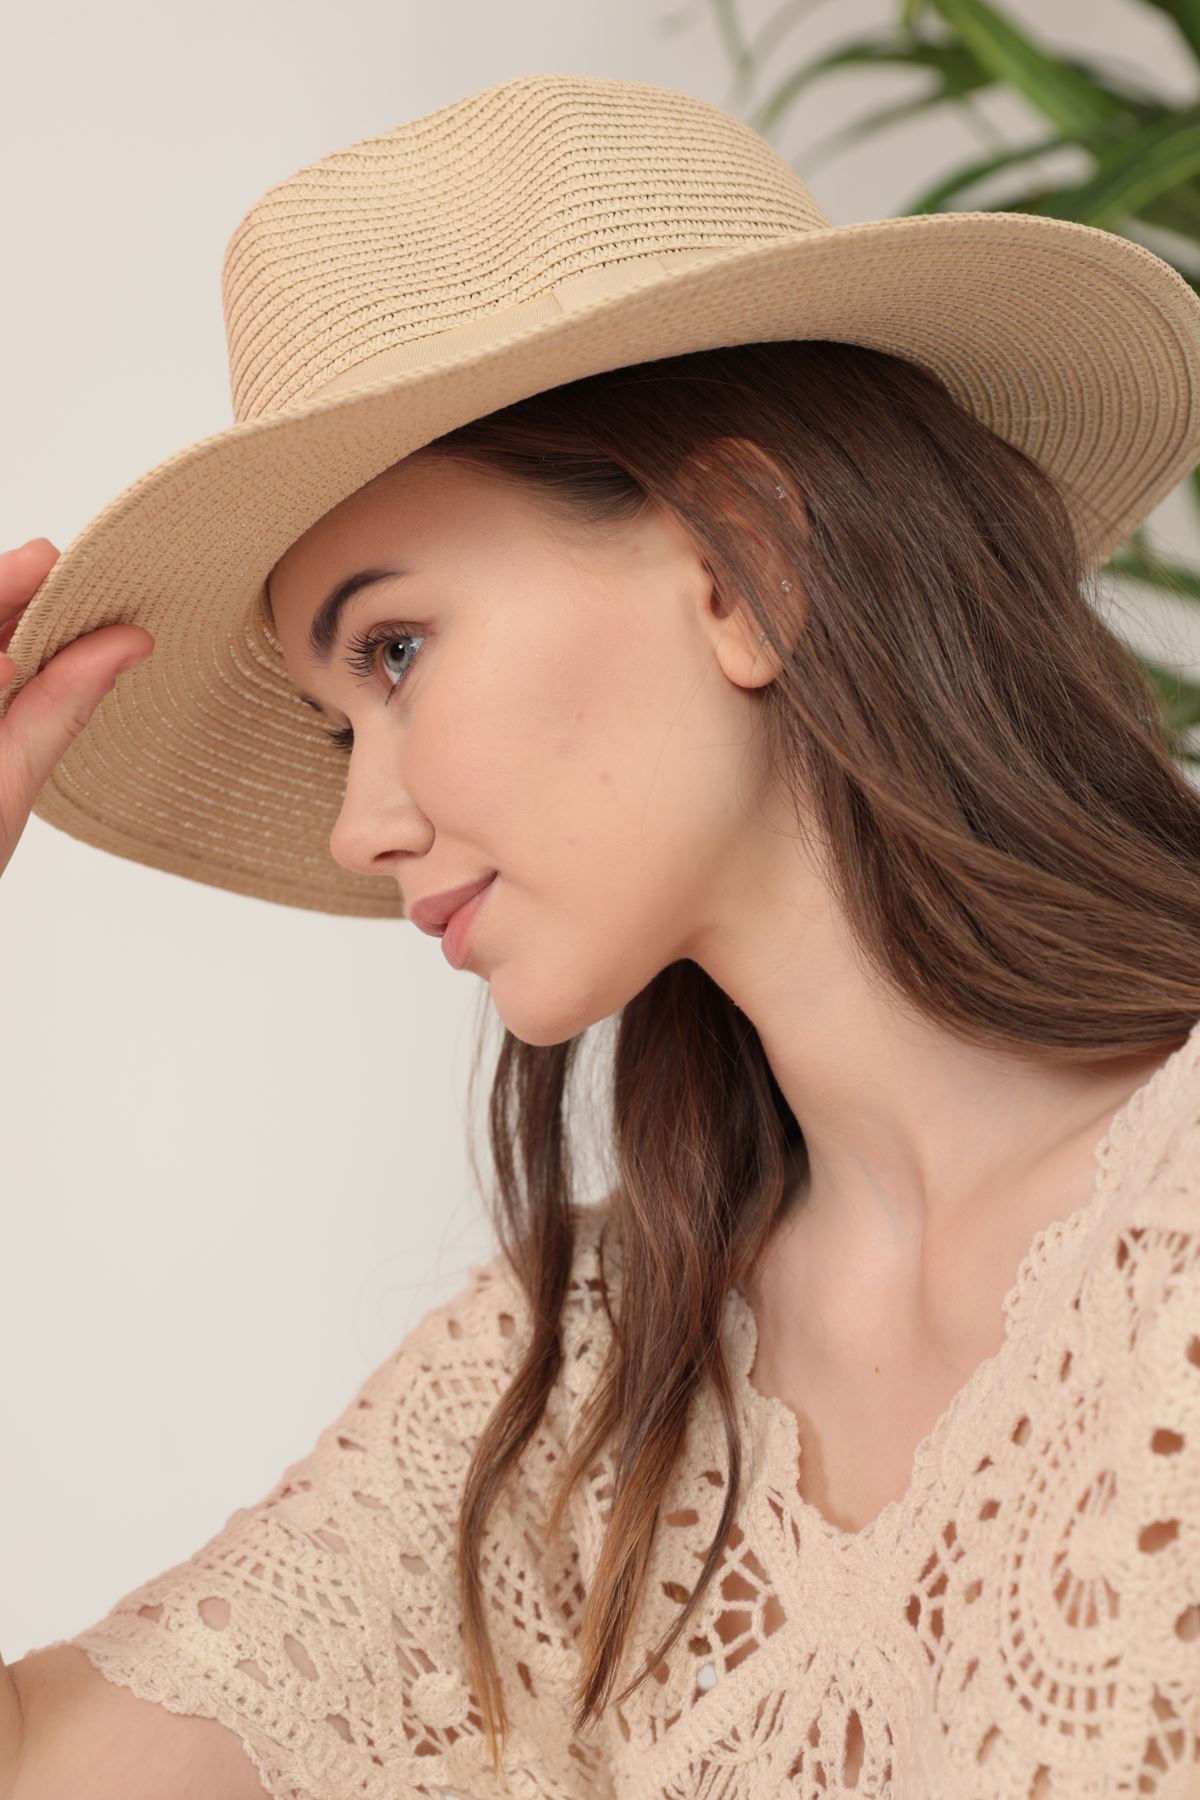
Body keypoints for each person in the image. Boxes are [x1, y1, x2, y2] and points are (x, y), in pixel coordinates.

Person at [3, 72, 1200, 1800]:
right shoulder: (581, 1372)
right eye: (342, 727)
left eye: (396, 653)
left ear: (748, 563)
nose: (361, 823)